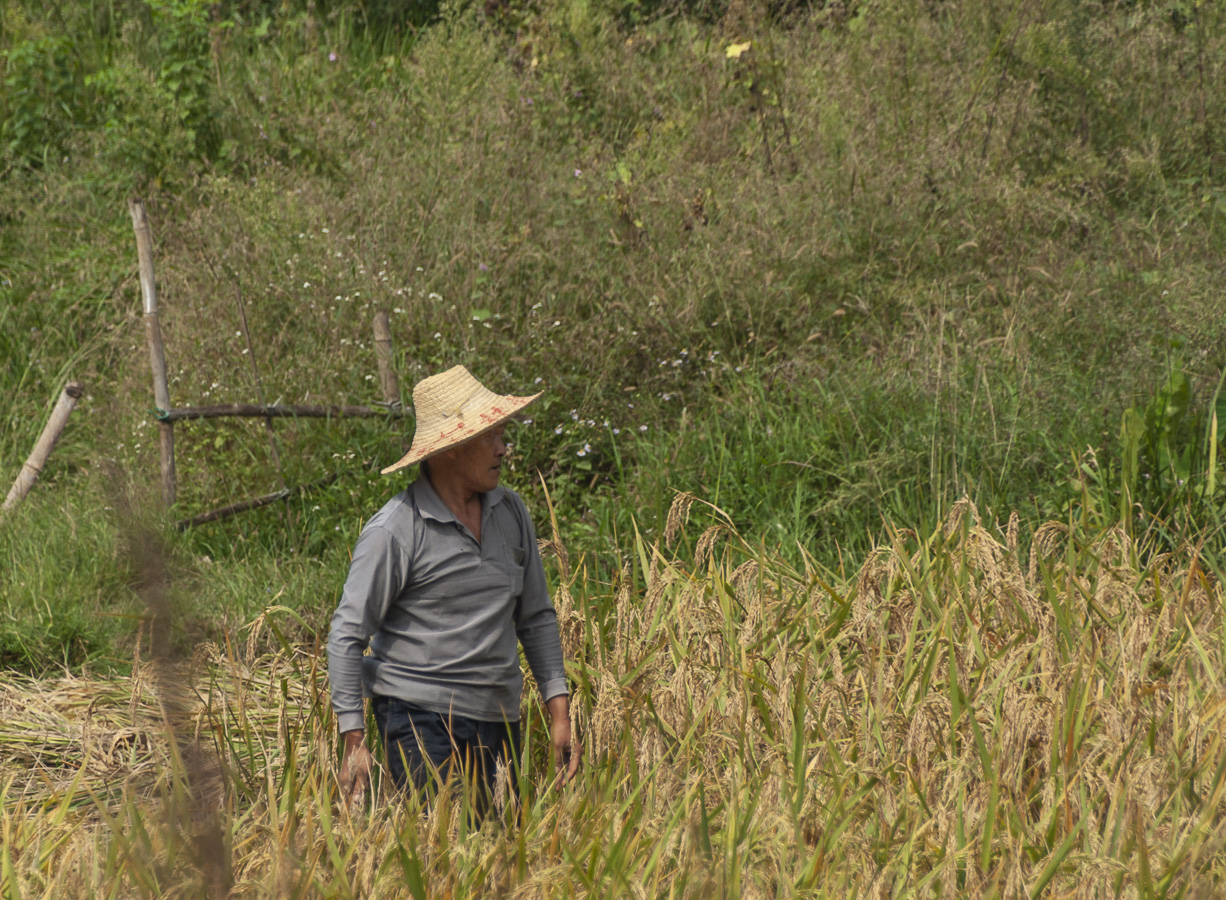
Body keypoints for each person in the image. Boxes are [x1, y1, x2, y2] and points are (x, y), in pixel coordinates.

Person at [327, 364, 579, 811]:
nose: (504, 448)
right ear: (450, 450)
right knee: (441, 856)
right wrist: (354, 741)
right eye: (491, 436)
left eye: (502, 433)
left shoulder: (511, 513)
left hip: (500, 721)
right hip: (418, 721)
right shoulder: (396, 530)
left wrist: (559, 711)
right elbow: (347, 635)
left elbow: (536, 616)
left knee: (502, 858)